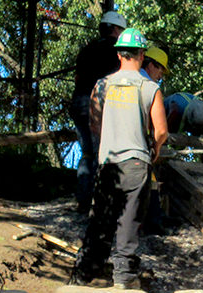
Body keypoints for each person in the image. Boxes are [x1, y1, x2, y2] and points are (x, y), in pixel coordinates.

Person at [71, 28, 168, 289]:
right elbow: (161, 131)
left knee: (101, 219)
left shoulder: (102, 85)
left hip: (109, 163)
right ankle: (124, 278)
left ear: (118, 54)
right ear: (142, 55)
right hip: (136, 163)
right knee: (129, 222)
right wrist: (155, 149)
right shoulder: (150, 88)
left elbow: (94, 123)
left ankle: (83, 274)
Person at [70, 10, 126, 214]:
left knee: (86, 152)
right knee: (102, 153)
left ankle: (83, 200)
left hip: (78, 103)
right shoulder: (117, 52)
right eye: (121, 30)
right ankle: (100, 203)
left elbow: (77, 79)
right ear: (116, 29)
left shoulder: (87, 49)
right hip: (99, 106)